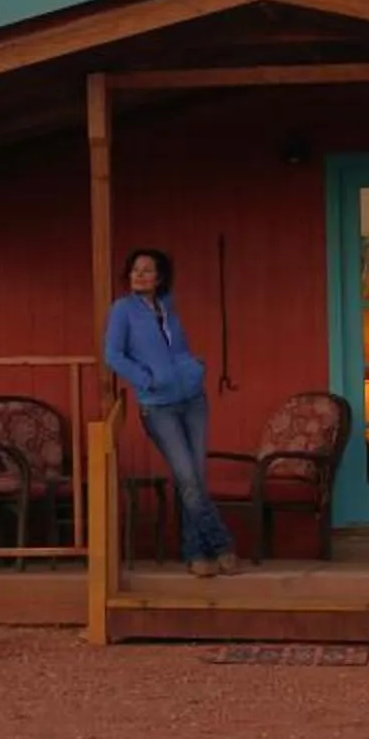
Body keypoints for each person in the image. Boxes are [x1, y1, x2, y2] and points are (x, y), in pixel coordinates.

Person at [103, 247, 241, 576]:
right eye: (135, 269)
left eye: (147, 270)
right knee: (188, 478)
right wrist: (146, 379)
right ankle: (221, 544)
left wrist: (193, 368)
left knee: (195, 479)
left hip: (193, 399)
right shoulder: (122, 309)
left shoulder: (167, 306)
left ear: (159, 277)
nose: (139, 275)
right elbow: (113, 354)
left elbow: (177, 349)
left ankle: (196, 555)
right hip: (158, 406)